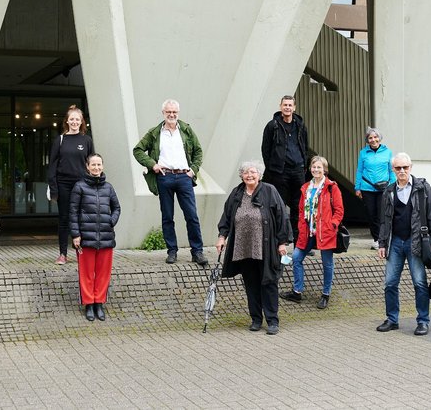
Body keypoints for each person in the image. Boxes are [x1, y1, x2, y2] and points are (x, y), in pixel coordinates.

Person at [216, 160, 290, 335]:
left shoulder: (269, 191)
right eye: (246, 173)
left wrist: (282, 242)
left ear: (259, 175)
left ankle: (272, 320)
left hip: (266, 246)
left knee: (269, 282)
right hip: (243, 247)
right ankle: (256, 319)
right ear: (241, 175)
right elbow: (226, 217)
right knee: (251, 284)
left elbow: (282, 217)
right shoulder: (236, 193)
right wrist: (222, 237)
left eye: (253, 172)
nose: (249, 175)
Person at [133, 99, 207, 266]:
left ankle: (197, 252)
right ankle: (172, 251)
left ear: (178, 113)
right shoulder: (154, 133)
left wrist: (193, 170)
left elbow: (198, 151)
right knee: (167, 216)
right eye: (169, 112)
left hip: (184, 178)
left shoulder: (186, 130)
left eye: (174, 112)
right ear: (163, 113)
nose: (172, 115)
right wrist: (153, 164)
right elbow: (137, 150)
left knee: (192, 216)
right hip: (164, 177)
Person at [376, 152, 431, 336]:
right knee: (390, 283)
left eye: (405, 167)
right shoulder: (388, 191)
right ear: (393, 170)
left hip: (416, 242)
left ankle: (423, 321)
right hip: (395, 242)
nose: (402, 171)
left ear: (411, 167)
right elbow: (384, 221)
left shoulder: (422, 188)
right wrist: (382, 243)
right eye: (398, 168)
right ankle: (392, 319)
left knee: (420, 283)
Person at [280, 156, 345, 309]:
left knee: (327, 263)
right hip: (308, 231)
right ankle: (297, 292)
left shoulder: (331, 187)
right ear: (310, 168)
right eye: (314, 167)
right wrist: (301, 226)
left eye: (319, 167)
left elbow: (339, 210)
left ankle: (325, 294)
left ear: (325, 170)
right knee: (296, 258)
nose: (316, 170)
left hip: (325, 231)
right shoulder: (305, 188)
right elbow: (301, 209)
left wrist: (333, 224)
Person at [70, 154, 121, 321]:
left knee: (102, 273)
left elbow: (117, 208)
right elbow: (73, 213)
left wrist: (110, 221)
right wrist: (76, 235)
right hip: (85, 239)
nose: (96, 168)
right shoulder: (79, 187)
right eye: (93, 165)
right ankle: (89, 304)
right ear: (87, 166)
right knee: (86, 273)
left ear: (103, 166)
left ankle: (99, 303)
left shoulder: (109, 188)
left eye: (99, 164)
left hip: (106, 238)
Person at [47, 105, 94, 265]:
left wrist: (93, 183)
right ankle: (62, 254)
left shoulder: (87, 140)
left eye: (77, 119)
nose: (74, 122)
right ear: (67, 121)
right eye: (72, 119)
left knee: (82, 218)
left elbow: (92, 163)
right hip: (63, 184)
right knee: (65, 218)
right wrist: (54, 188)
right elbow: (52, 165)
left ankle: (81, 253)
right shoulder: (60, 140)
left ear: (82, 122)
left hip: (82, 184)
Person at [261, 95, 309, 241]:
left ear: (294, 108)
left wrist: (303, 164)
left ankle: (298, 238)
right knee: (279, 204)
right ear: (280, 106)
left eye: (290, 105)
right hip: (279, 171)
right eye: (285, 105)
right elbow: (265, 149)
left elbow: (305, 146)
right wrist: (272, 167)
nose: (287, 107)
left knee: (298, 205)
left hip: (298, 170)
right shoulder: (272, 125)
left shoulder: (300, 125)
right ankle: (281, 238)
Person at [354, 127, 395, 250]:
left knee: (382, 214)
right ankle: (377, 239)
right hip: (367, 189)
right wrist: (357, 187)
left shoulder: (387, 152)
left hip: (384, 189)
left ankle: (384, 239)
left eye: (375, 137)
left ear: (379, 138)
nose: (373, 140)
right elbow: (359, 170)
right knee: (371, 215)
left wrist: (392, 186)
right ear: (367, 140)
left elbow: (391, 171)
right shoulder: (363, 153)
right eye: (370, 138)